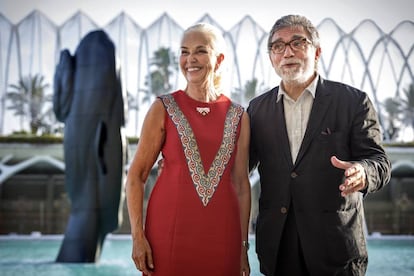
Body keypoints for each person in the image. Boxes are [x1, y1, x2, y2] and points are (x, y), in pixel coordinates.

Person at [247, 15, 391, 275]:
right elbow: (239, 166)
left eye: (297, 43)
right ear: (271, 57)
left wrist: (362, 171)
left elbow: (379, 163)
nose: (287, 51)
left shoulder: (353, 102)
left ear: (317, 52)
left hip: (336, 250)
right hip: (277, 250)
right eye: (278, 46)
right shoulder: (257, 109)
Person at [125, 23, 251, 276]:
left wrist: (242, 247)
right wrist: (138, 237)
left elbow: (240, 185)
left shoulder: (239, 116)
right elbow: (136, 177)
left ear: (219, 59)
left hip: (223, 236)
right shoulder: (163, 107)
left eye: (200, 51)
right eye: (184, 52)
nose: (190, 59)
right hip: (168, 233)